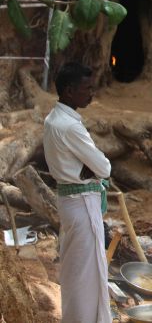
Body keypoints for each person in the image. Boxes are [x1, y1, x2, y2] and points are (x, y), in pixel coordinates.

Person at [43, 62, 112, 323]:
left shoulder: (54, 118)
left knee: (76, 270)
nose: (91, 92)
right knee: (87, 275)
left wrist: (88, 169)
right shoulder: (70, 126)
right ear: (70, 91)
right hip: (82, 203)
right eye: (87, 88)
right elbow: (104, 167)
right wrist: (91, 169)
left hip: (69, 200)